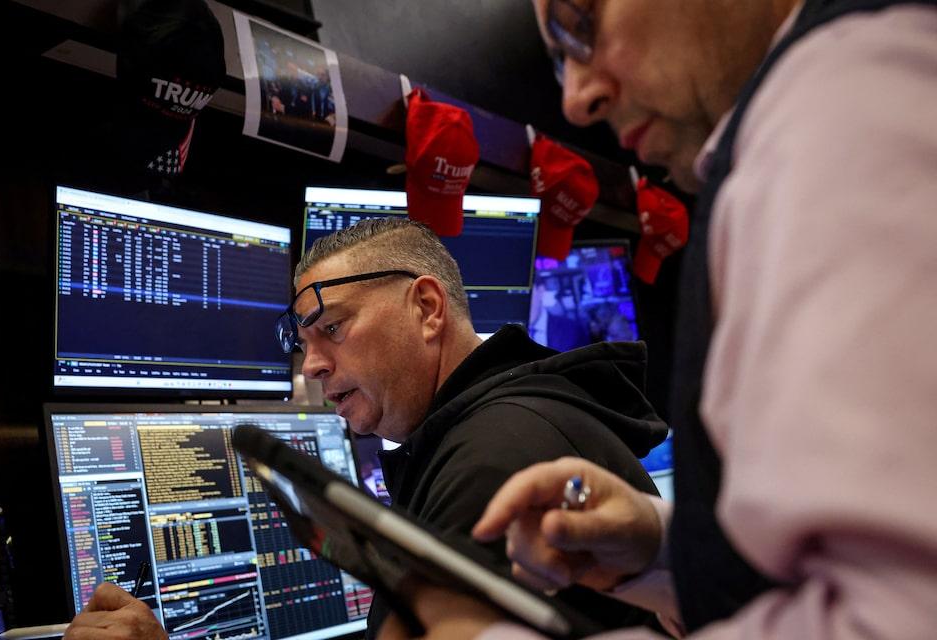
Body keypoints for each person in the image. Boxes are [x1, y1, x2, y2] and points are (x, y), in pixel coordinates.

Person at [376, 0, 937, 638]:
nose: (576, 101)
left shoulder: (841, 112)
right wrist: (665, 547)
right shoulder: (814, 114)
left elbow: (905, 615)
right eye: (557, 62)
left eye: (578, 21)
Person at [64, 217, 668, 638]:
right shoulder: (506, 418)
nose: (313, 365)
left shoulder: (493, 459)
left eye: (332, 327)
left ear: (427, 309)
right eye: (303, 344)